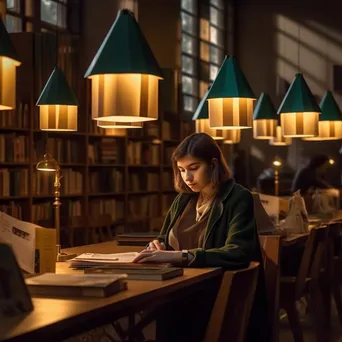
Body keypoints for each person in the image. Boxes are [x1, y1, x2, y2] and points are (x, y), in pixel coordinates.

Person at [133, 133, 269, 342]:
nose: (187, 178)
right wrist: (157, 245)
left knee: (151, 316)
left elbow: (239, 251)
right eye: (181, 170)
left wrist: (183, 256)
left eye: (194, 168)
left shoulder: (238, 198)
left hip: (213, 294)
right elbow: (165, 238)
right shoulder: (182, 199)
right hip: (181, 288)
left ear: (213, 164)